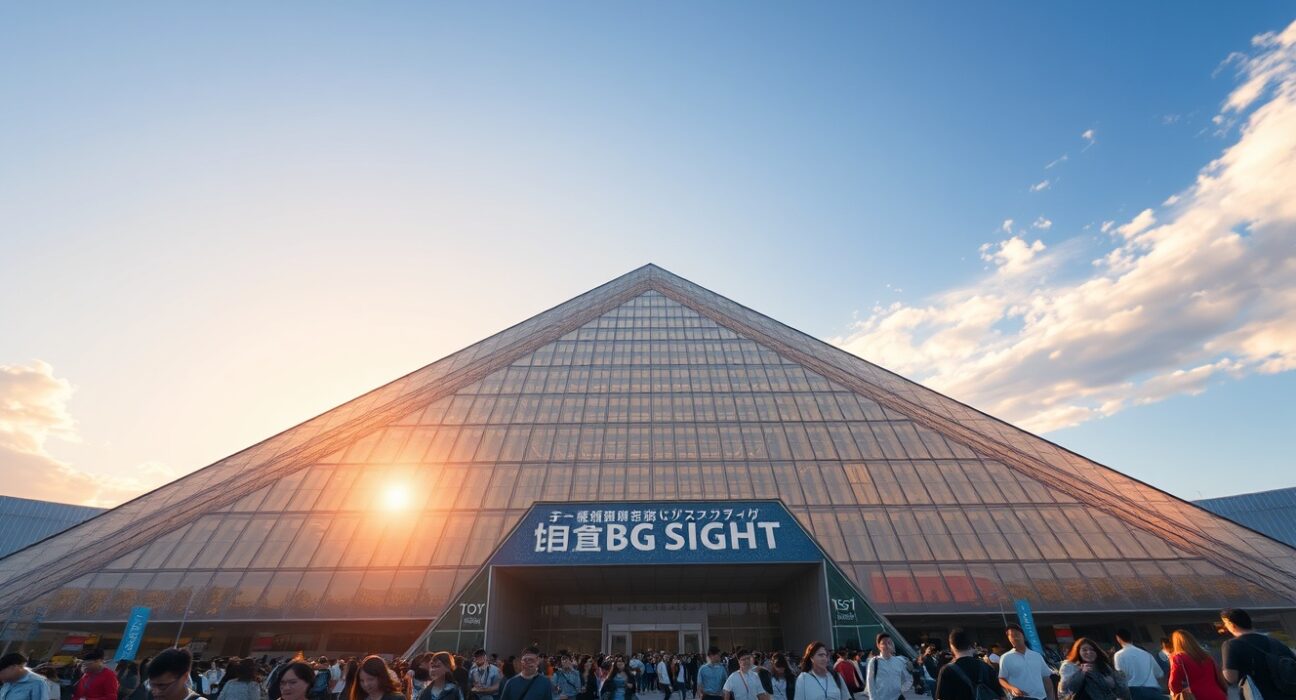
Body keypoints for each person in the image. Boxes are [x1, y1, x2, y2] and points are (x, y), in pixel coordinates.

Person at [1220, 608, 1296, 700]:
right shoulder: (1275, 642)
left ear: (1232, 625)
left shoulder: (1231, 645)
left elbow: (1231, 678)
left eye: (1225, 623)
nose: (1224, 626)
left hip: (1258, 696)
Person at [935, 629, 1005, 700]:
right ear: (971, 646)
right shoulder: (986, 667)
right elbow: (1002, 696)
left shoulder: (947, 670)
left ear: (952, 646)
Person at [997, 624, 1055, 700]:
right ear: (1009, 639)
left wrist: (1051, 697)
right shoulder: (1006, 657)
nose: (1015, 637)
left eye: (1017, 634)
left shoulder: (1036, 656)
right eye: (1012, 635)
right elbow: (1001, 678)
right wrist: (1012, 688)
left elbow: (1046, 678)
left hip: (1041, 697)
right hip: (1021, 697)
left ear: (1023, 636)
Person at [1058, 638, 1128, 700]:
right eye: (1084, 650)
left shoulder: (1104, 666)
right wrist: (1081, 673)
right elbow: (1067, 688)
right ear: (1078, 652)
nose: (1089, 652)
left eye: (1092, 649)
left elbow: (1121, 690)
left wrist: (1113, 684)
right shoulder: (1070, 666)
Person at [1167, 630, 1225, 700]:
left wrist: (1179, 694)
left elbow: (1173, 683)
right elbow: (1218, 676)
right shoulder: (1206, 656)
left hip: (1196, 696)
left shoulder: (1178, 658)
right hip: (1218, 694)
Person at [1113, 630, 1164, 700]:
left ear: (1118, 639)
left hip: (1134, 692)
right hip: (1154, 690)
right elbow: (1159, 673)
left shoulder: (1119, 655)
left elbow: (1120, 677)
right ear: (1131, 638)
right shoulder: (1146, 654)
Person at [867, 633, 913, 700]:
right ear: (878, 645)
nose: (887, 645)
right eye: (884, 643)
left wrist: (901, 689)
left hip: (897, 698)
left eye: (889, 643)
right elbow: (870, 683)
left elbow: (909, 679)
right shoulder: (874, 662)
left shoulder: (899, 661)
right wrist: (873, 698)